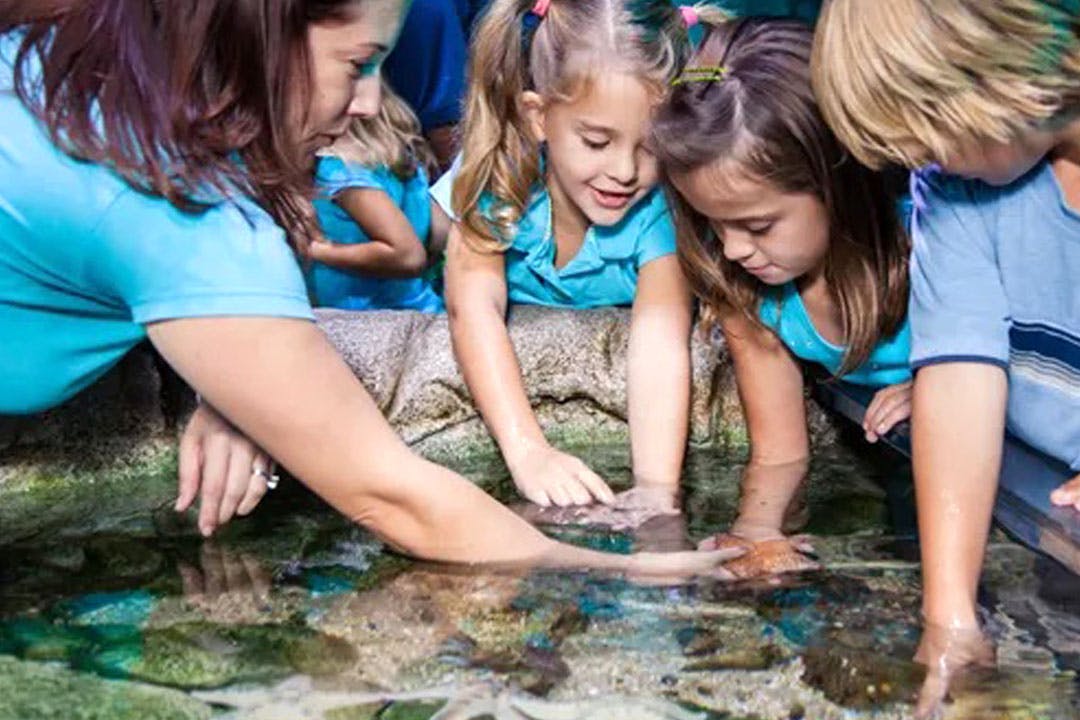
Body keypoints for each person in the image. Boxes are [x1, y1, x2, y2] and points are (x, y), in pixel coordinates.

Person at [0, 0, 744, 579]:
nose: (371, 101)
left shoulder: (70, 61)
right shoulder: (182, 220)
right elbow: (395, 498)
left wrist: (228, 387)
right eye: (359, 63)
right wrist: (633, 569)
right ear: (263, 35)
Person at [811, 0, 1080, 715]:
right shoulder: (956, 189)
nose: (919, 164)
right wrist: (950, 620)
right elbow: (960, 381)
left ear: (992, 73)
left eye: (925, 136)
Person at [651, 16, 912, 570]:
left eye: (758, 225)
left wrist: (941, 383)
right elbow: (780, 451)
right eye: (713, 223)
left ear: (835, 178)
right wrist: (754, 533)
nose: (732, 249)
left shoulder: (926, 240)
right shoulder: (750, 291)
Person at [434, 0, 698, 516]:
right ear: (539, 117)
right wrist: (528, 451)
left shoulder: (660, 214)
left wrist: (655, 491)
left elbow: (660, 343)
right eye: (597, 142)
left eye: (650, 147)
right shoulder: (500, 174)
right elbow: (473, 308)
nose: (625, 171)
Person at [307, 80, 444, 312]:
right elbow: (441, 235)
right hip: (421, 309)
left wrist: (320, 251)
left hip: (366, 320)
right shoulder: (398, 160)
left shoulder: (340, 173)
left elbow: (408, 256)